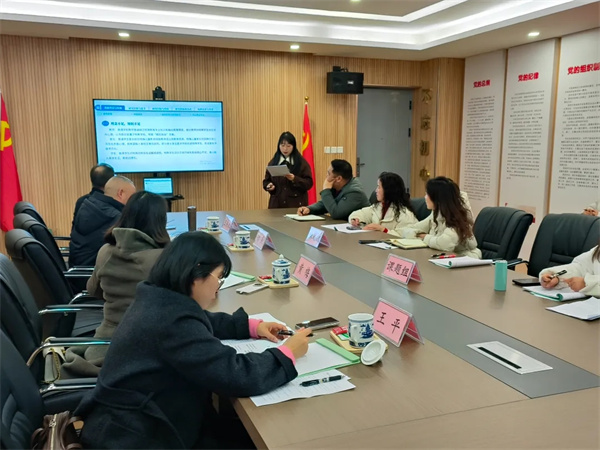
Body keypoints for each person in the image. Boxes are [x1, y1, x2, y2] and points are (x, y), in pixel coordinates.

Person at [75, 231, 312, 449]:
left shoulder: (157, 298)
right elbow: (236, 374)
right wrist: (287, 354)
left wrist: (251, 326)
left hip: (140, 421)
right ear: (196, 274)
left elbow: (201, 320)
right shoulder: (174, 323)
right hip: (140, 436)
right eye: (219, 278)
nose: (218, 288)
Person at [61, 191, 171, 378]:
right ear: (160, 222)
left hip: (103, 345)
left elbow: (93, 290)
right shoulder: (162, 259)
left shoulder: (105, 251)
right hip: (143, 350)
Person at [400, 176, 481, 258]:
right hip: (447, 257)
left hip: (465, 259)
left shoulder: (455, 218)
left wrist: (425, 237)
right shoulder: (436, 214)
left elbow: (444, 244)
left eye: (427, 194)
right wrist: (417, 233)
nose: (425, 197)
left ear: (438, 199)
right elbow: (409, 229)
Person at [69, 175, 136, 267]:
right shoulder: (116, 218)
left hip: (77, 267)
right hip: (95, 271)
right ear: (120, 193)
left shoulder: (89, 205)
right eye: (132, 196)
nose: (133, 201)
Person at [297, 159, 369, 220]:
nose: (326, 176)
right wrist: (309, 209)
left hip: (359, 228)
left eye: (328, 174)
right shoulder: (338, 186)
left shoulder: (354, 192)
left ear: (339, 179)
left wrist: (326, 190)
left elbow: (336, 213)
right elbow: (326, 204)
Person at [348, 172, 418, 235]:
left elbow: (407, 236)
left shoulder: (405, 214)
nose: (376, 190)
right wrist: (355, 219)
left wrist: (384, 230)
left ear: (388, 190)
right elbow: (361, 213)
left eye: (379, 187)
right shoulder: (378, 206)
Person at [263, 131, 314, 208]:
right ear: (278, 146)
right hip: (276, 205)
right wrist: (268, 185)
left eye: (288, 146)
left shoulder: (301, 162)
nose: (285, 149)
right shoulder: (273, 162)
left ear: (293, 146)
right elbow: (266, 180)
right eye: (282, 145)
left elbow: (309, 183)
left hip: (295, 204)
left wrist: (294, 179)